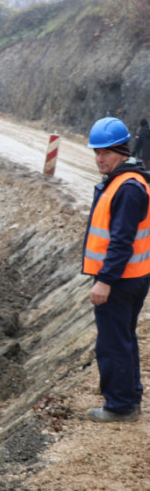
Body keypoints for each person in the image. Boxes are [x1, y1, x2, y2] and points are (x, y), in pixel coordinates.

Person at [82, 116, 150, 423]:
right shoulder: (128, 182)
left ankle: (120, 406)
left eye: (105, 152)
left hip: (121, 281)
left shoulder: (127, 188)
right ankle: (129, 398)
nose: (99, 158)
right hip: (131, 278)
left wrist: (105, 281)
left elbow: (121, 241)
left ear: (122, 151)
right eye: (96, 152)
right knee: (124, 338)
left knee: (112, 342)